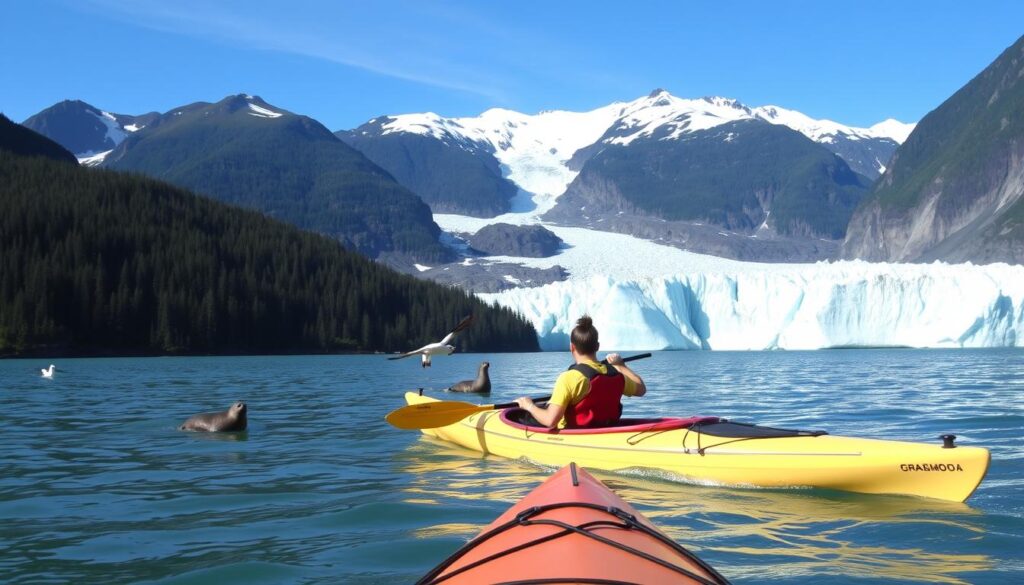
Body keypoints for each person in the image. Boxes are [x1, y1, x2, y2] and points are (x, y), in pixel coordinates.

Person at [516, 315, 646, 429]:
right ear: (597, 346)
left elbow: (550, 421)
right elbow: (641, 389)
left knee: (527, 417)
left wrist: (529, 406)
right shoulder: (617, 375)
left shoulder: (569, 378)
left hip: (578, 435)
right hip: (608, 430)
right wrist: (621, 366)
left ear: (572, 347)